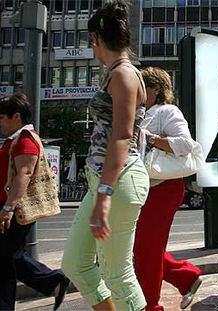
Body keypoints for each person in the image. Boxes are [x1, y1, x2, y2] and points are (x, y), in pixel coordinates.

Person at [61, 1, 150, 310]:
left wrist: (105, 195)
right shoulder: (116, 74)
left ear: (95, 38)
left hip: (118, 181)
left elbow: (123, 137)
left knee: (118, 275)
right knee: (77, 264)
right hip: (103, 180)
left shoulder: (124, 75)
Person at [133, 67, 202, 311]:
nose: (138, 92)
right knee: (140, 247)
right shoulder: (138, 113)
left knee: (145, 249)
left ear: (157, 89)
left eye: (143, 87)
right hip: (142, 186)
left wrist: (150, 138)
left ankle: (151, 305)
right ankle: (186, 276)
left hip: (163, 187)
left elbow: (185, 144)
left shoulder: (167, 111)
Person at [0, 93, 70, 311]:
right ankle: (52, 281)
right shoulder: (16, 139)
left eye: (2, 117)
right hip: (9, 205)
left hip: (15, 208)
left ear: (16, 117)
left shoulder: (26, 139)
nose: (0, 122)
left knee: (5, 260)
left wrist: (8, 207)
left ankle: (52, 281)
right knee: (8, 258)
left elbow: (25, 173)